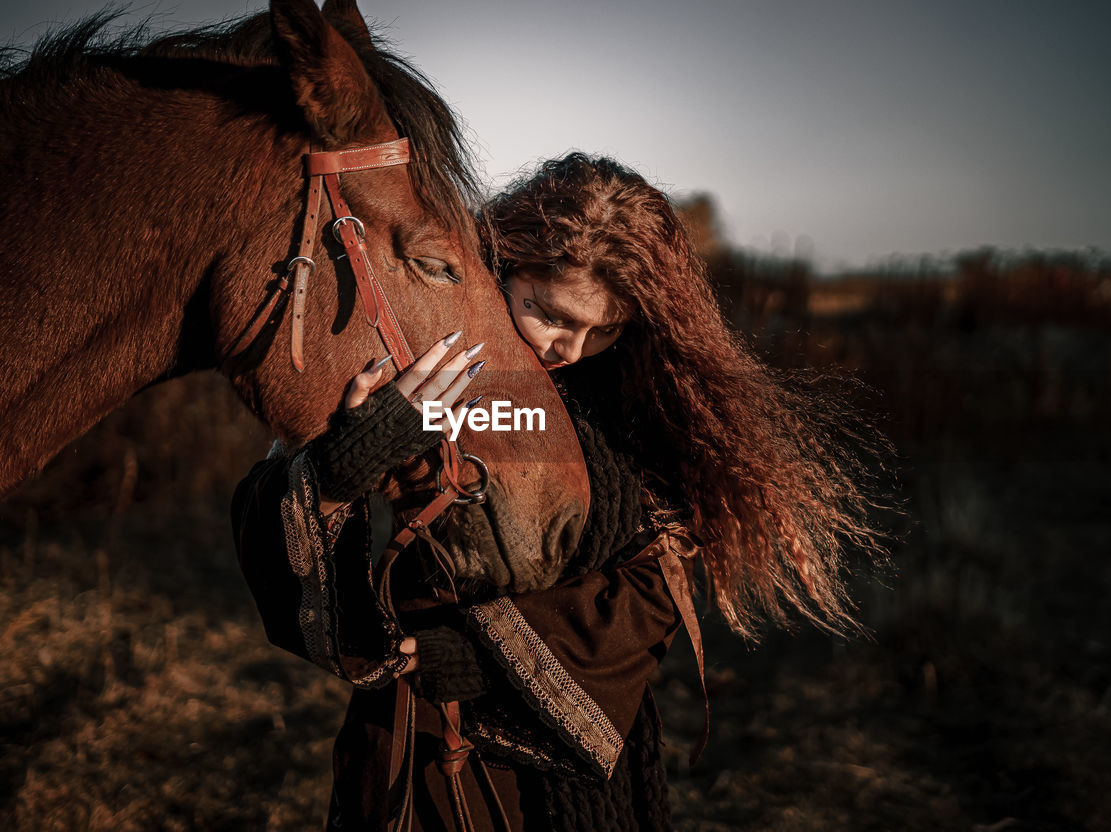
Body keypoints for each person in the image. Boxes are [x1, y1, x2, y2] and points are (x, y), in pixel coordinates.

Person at [232, 153, 885, 831]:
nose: (571, 349)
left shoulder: (635, 404)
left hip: (588, 767)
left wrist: (486, 654)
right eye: (549, 313)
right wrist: (349, 458)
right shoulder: (423, 366)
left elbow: (655, 584)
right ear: (502, 265)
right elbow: (304, 577)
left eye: (604, 328)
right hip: (428, 751)